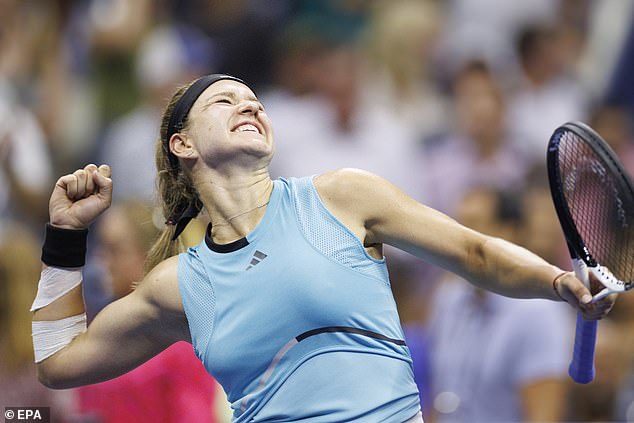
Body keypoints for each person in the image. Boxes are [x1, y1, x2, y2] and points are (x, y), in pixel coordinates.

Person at [31, 74, 616, 422]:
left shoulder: (342, 196)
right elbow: (58, 365)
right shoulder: (178, 284)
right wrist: (64, 233)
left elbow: (478, 254)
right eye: (226, 102)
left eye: (255, 100)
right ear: (183, 143)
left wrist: (558, 283)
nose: (251, 107)